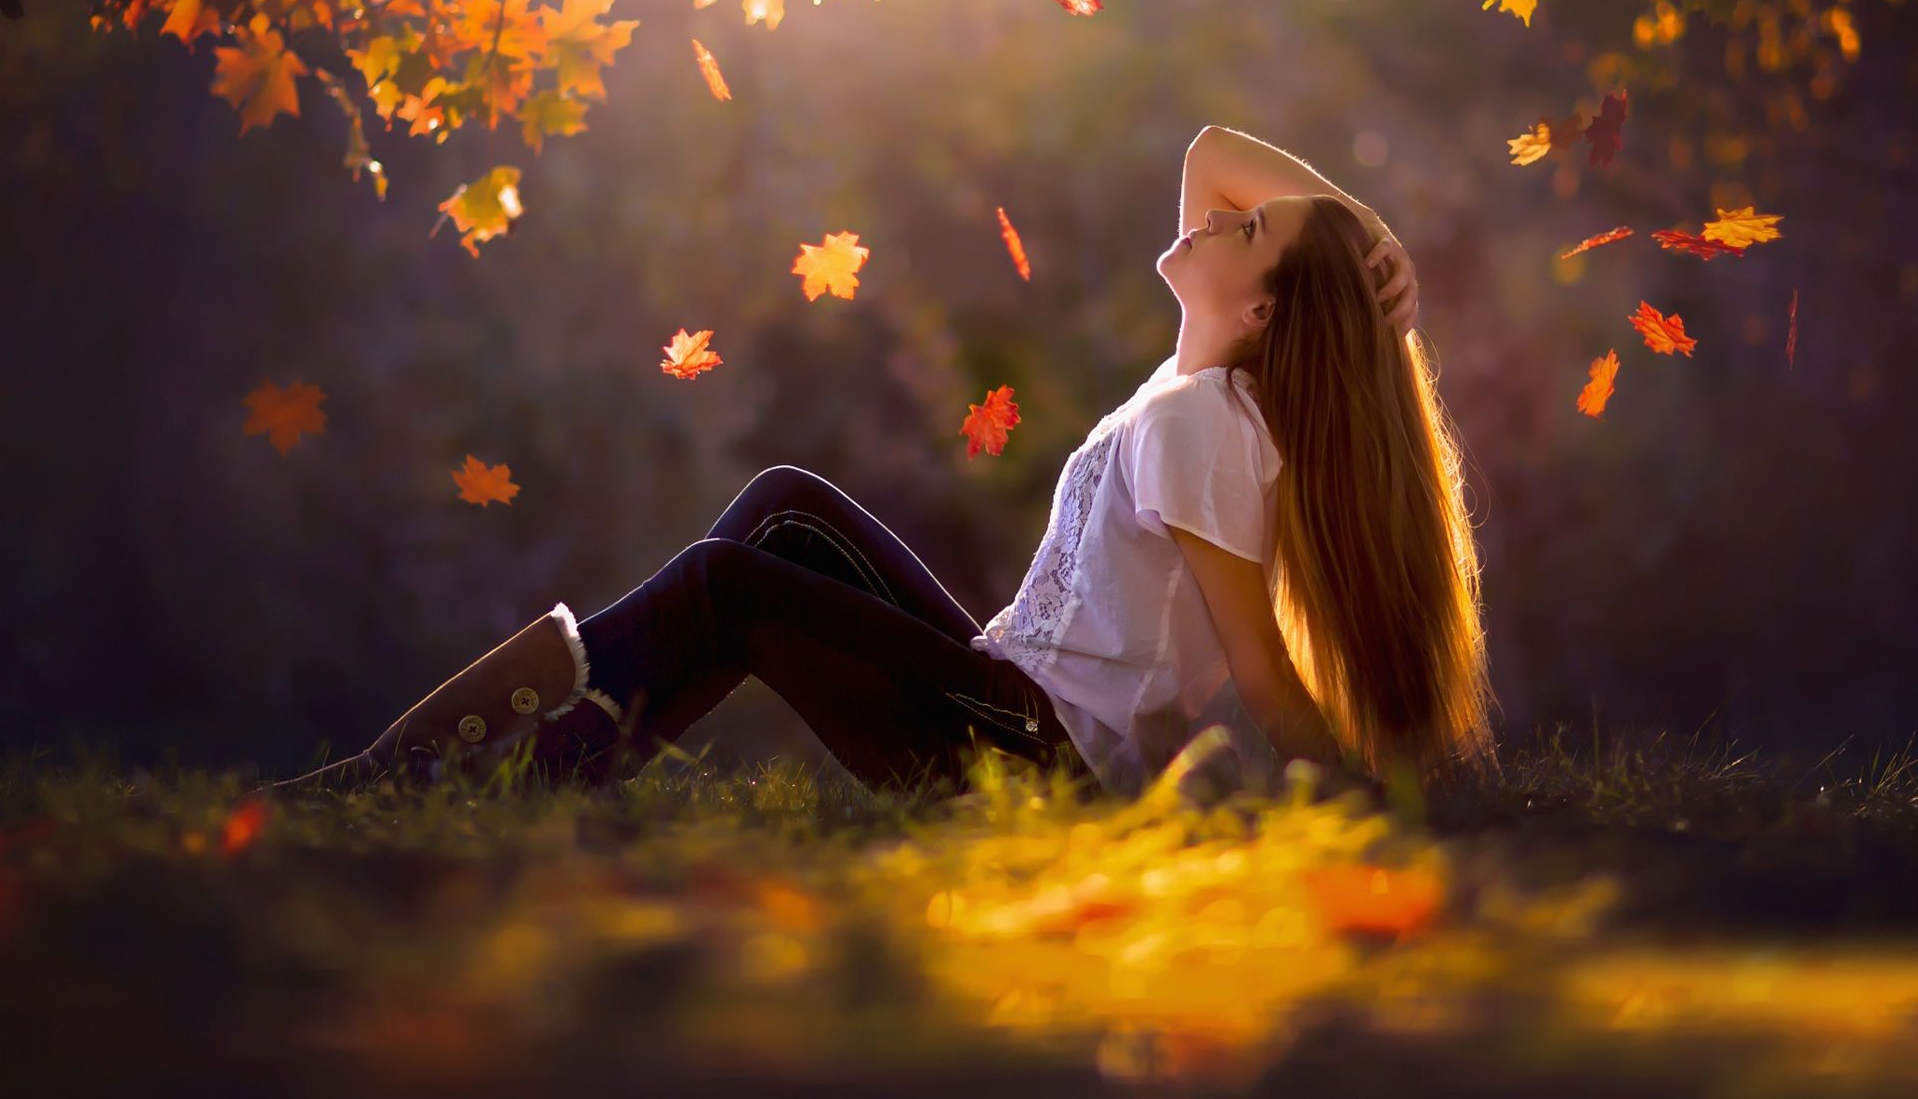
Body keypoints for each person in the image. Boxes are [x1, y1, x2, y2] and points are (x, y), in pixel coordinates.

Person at [275, 125, 1499, 802]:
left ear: (1265, 312)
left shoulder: (1203, 427)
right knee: (784, 510)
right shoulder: (1195, 392)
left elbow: (1265, 677)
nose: (1212, 214)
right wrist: (1362, 231)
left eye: (1242, 232)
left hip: (1035, 757)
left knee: (726, 584)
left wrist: (1369, 811)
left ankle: (419, 772)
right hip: (1004, 691)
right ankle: (518, 775)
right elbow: (1208, 145)